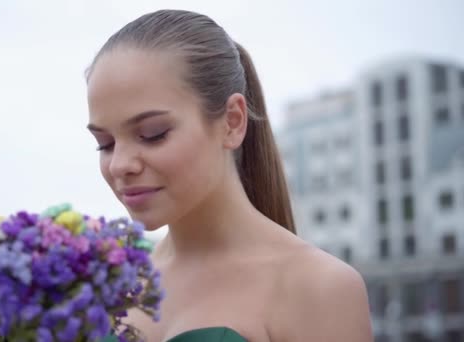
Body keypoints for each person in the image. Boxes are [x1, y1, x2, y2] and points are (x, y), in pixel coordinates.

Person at [86, 9, 373, 342]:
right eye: (104, 143)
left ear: (232, 121)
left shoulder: (319, 286)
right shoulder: (109, 285)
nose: (120, 164)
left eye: (153, 133)